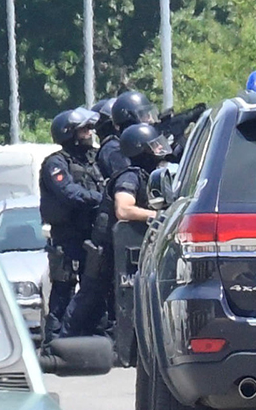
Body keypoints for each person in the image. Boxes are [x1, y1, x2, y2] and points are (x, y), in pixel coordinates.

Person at [63, 122, 172, 341]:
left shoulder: (144, 175)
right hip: (106, 250)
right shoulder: (129, 176)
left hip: (117, 249)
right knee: (89, 297)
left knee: (109, 299)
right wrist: (156, 217)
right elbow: (123, 209)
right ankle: (63, 340)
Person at [38, 108, 103, 330]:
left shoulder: (92, 159)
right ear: (69, 133)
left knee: (95, 288)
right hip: (68, 238)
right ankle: (54, 343)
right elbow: (68, 192)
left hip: (92, 235)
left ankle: (92, 335)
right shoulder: (55, 163)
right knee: (64, 289)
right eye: (83, 130)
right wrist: (99, 198)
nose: (88, 133)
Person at [97, 90, 153, 179]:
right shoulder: (114, 149)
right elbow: (127, 180)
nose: (150, 119)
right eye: (143, 115)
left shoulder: (135, 145)